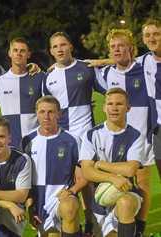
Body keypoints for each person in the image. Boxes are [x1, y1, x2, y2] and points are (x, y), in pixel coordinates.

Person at [43, 31, 107, 235]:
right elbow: (47, 108)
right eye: (55, 46)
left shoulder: (86, 68)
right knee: (67, 180)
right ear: (51, 51)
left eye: (63, 44)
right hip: (61, 137)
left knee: (86, 180)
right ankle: (73, 223)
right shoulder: (49, 77)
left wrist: (104, 61)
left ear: (71, 46)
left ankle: (92, 220)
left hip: (85, 133)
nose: (60, 49)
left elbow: (110, 88)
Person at [101, 29, 153, 236]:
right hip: (117, 137)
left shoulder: (144, 67)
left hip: (142, 135)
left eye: (121, 45)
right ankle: (117, 223)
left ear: (131, 48)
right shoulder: (105, 73)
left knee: (142, 183)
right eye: (113, 47)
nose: (116, 50)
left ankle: (139, 227)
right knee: (118, 183)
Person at [80, 88, 144, 237]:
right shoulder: (91, 134)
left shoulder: (135, 136)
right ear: (104, 107)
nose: (114, 108)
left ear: (128, 108)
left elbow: (130, 170)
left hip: (126, 192)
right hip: (100, 198)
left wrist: (100, 164)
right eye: (110, 104)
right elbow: (87, 172)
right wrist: (113, 177)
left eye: (119, 104)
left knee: (125, 203)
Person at [22, 95, 87, 237]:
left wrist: (71, 191)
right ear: (36, 114)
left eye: (51, 112)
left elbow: (83, 177)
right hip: (38, 201)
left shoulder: (73, 140)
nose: (46, 116)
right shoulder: (27, 141)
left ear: (59, 114)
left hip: (62, 198)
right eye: (42, 112)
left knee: (69, 208)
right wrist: (29, 204)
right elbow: (23, 179)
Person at [0, 37, 45, 147]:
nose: (18, 54)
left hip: (35, 140)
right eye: (15, 50)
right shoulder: (0, 80)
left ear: (28, 54)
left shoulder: (40, 77)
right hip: (10, 141)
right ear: (9, 53)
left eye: (22, 51)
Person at [137, 18, 161, 180]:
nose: (152, 38)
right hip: (158, 128)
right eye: (148, 35)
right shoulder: (144, 60)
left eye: (156, 34)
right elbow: (120, 61)